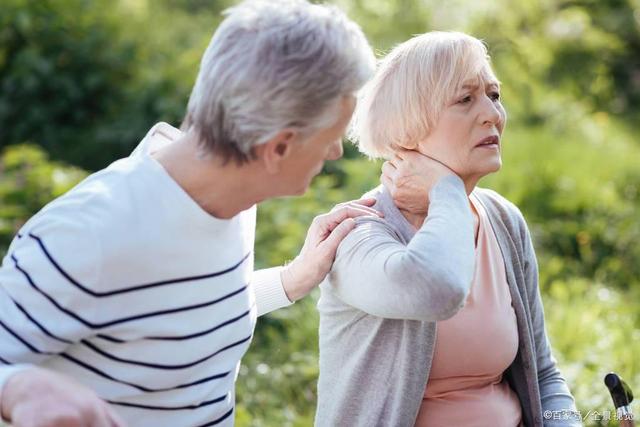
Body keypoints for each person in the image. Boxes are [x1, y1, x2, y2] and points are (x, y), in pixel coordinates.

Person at [0, 1, 377, 426]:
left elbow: (169, 318)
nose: (335, 152)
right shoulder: (86, 235)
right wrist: (15, 387)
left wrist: (290, 281)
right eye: (330, 136)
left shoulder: (231, 199)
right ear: (278, 147)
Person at [315, 32, 581, 427]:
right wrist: (446, 188)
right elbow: (436, 288)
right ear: (407, 129)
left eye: (494, 94)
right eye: (465, 99)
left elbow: (542, 375)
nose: (492, 113)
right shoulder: (356, 229)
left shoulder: (504, 220)